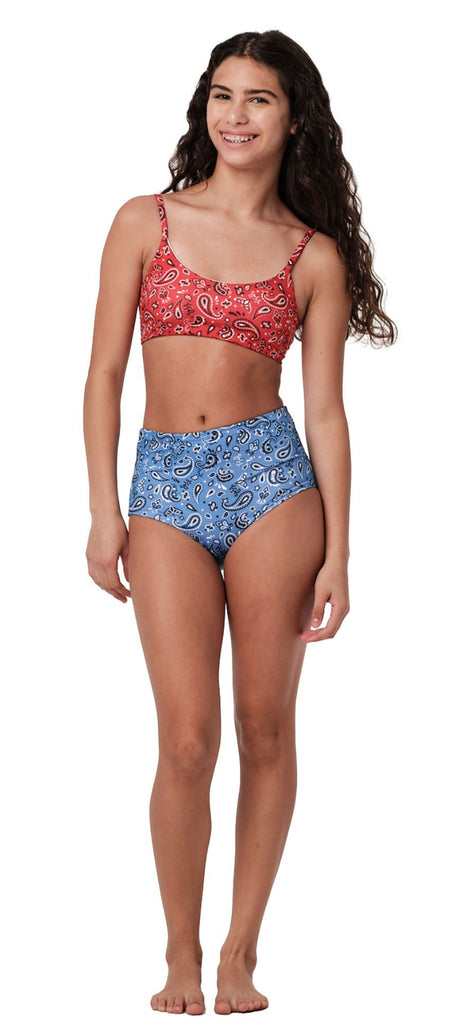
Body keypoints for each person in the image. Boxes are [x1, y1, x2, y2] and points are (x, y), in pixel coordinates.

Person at [83, 28, 397, 1016]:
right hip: (164, 489)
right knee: (186, 739)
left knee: (266, 727)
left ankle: (238, 953)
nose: (235, 114)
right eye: (222, 94)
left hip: (273, 487)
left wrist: (340, 550)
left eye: (258, 98)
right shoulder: (144, 220)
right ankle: (178, 951)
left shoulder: (312, 256)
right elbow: (102, 375)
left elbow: (326, 413)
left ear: (293, 119)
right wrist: (101, 509)